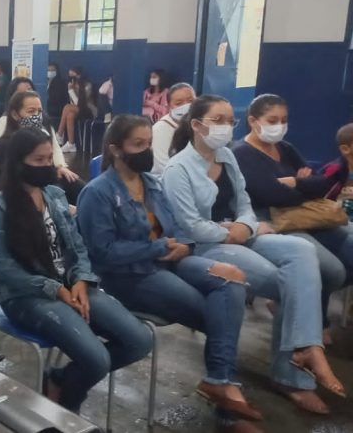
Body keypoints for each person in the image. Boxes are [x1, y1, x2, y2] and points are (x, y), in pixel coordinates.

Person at [77, 115, 262, 431]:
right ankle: (227, 405)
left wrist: (186, 246)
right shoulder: (99, 193)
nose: (146, 150)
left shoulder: (151, 184)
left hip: (170, 260)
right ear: (116, 149)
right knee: (217, 314)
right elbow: (102, 253)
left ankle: (219, 382)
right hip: (131, 276)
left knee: (231, 283)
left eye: (149, 143)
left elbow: (177, 227)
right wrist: (158, 246)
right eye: (138, 144)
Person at [162, 94, 346, 413]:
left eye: (229, 120)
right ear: (195, 125)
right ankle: (292, 373)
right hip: (204, 246)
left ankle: (306, 347)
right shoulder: (179, 168)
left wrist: (245, 226)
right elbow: (188, 225)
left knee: (302, 251)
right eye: (217, 120)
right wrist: (228, 232)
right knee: (287, 280)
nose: (225, 127)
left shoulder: (227, 158)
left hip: (240, 233)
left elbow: (245, 203)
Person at [0, 127, 153, 414]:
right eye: (39, 160)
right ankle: (67, 409)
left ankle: (60, 380)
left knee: (140, 341)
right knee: (96, 359)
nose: (48, 166)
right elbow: (7, 270)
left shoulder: (55, 195)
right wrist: (57, 290)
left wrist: (81, 280)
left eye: (50, 158)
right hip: (25, 295)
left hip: (69, 285)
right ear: (18, 163)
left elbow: (78, 246)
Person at [231, 94, 351, 344]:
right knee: (332, 269)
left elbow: (323, 183)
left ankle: (304, 307)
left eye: (284, 120)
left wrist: (296, 182)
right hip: (272, 221)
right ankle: (310, 318)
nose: (280, 125)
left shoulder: (285, 148)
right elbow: (268, 193)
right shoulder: (241, 153)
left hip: (304, 216)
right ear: (253, 121)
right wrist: (303, 185)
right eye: (272, 120)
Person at [0, 91, 82, 203]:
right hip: (21, 198)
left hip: (46, 188)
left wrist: (59, 168)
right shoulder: (4, 146)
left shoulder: (41, 138)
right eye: (31, 111)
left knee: (77, 186)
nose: (36, 116)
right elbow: (10, 183)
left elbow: (49, 171)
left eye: (39, 111)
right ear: (15, 114)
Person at [151, 83, 196, 175]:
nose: (186, 106)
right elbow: (163, 166)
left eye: (190, 100)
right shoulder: (160, 129)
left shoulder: (199, 125)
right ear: (168, 106)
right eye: (179, 103)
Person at [55, 67, 97, 154]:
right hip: (77, 110)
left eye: (73, 76)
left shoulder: (87, 85)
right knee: (70, 114)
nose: (71, 78)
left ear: (79, 75)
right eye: (69, 76)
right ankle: (71, 144)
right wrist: (71, 88)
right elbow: (73, 104)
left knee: (67, 107)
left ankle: (59, 134)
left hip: (89, 110)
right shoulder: (72, 85)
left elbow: (80, 104)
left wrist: (71, 91)